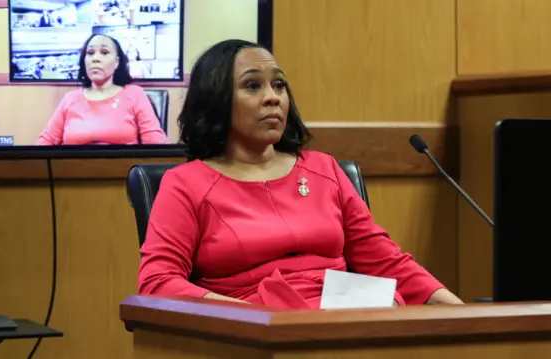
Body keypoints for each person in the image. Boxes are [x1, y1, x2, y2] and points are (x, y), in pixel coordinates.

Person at [137, 39, 464, 309]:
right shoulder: (186, 183)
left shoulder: (324, 170)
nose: (273, 97)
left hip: (350, 313)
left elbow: (387, 263)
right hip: (255, 327)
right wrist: (248, 317)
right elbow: (158, 281)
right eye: (252, 86)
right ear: (216, 100)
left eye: (279, 85)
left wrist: (461, 314)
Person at [37, 34, 167, 145]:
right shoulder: (70, 99)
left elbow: (155, 143)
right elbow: (46, 141)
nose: (95, 58)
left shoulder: (134, 94)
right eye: (90, 53)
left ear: (116, 62)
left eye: (104, 53)